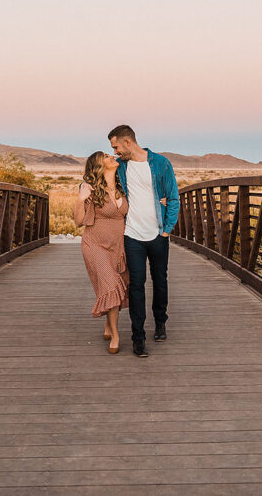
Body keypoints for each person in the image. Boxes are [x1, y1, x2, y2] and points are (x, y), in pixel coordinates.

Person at [108, 125, 180, 357]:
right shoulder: (121, 167)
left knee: (160, 281)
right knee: (136, 285)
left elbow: (174, 198)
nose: (116, 152)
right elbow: (98, 179)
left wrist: (167, 231)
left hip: (158, 234)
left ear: (128, 142)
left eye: (116, 147)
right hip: (132, 235)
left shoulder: (161, 163)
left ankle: (160, 322)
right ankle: (138, 337)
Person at [72, 151, 129, 354]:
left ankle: (108, 323)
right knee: (111, 285)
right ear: (99, 165)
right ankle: (115, 334)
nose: (112, 156)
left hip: (119, 246)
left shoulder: (124, 186)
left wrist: (159, 205)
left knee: (117, 285)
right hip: (95, 245)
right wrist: (81, 199)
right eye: (106, 156)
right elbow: (78, 221)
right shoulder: (91, 189)